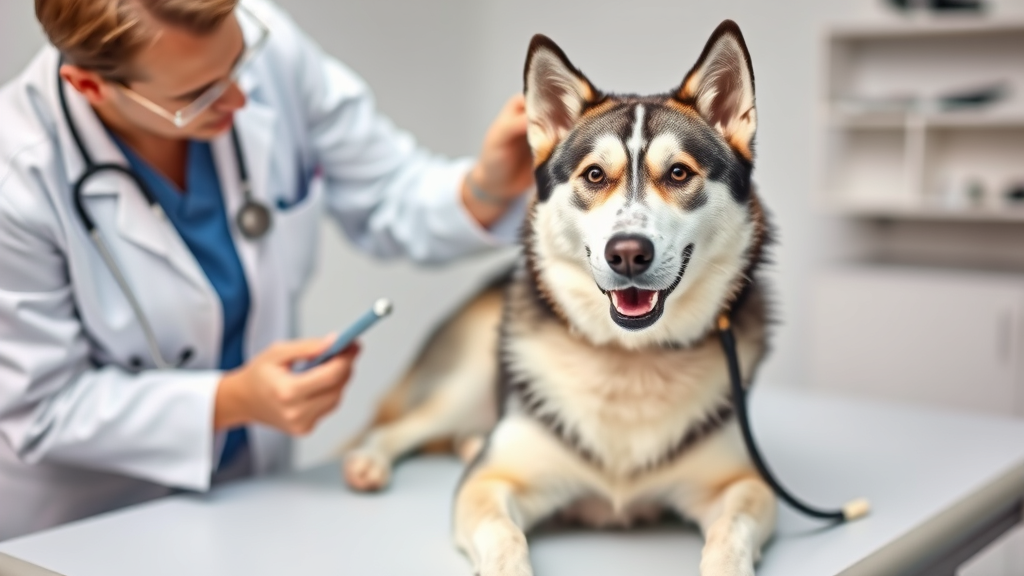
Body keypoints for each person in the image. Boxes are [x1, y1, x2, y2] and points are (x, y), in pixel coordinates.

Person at [0, 0, 532, 540]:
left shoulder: (266, 43)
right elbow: (42, 408)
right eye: (196, 95)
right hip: (85, 526)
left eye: (238, 64)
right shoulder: (16, 176)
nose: (238, 97)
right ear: (89, 87)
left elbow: (387, 190)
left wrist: (488, 186)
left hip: (252, 498)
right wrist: (231, 401)